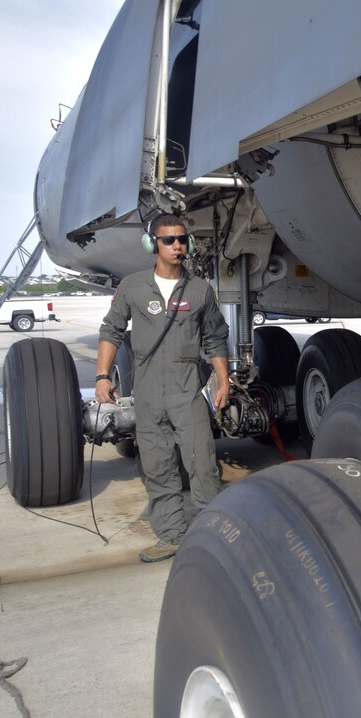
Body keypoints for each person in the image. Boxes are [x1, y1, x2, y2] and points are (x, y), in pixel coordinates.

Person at [95, 213, 231, 562]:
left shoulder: (201, 289)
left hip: (188, 386)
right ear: (152, 244)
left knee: (202, 463)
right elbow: (111, 331)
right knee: (158, 466)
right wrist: (102, 376)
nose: (177, 246)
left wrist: (223, 381)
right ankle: (171, 536)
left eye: (182, 239)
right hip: (149, 387)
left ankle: (211, 534)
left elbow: (216, 339)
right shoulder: (132, 286)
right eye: (169, 240)